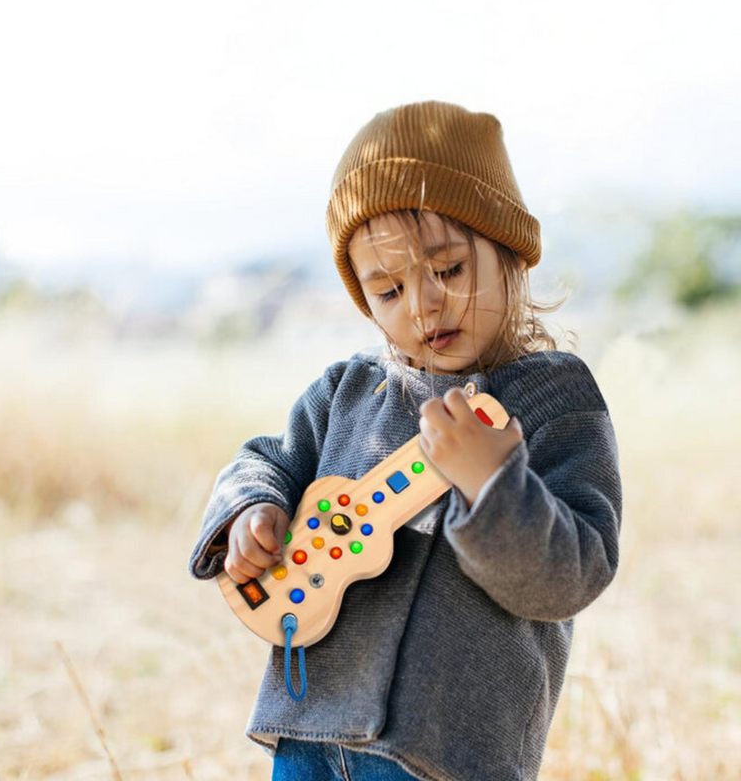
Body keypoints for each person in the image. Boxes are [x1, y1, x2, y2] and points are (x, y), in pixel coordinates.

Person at [188, 101, 623, 781]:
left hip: (448, 750)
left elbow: (575, 573)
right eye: (388, 290)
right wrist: (248, 514)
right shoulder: (349, 391)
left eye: (448, 270)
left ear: (507, 248)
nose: (422, 305)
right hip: (310, 722)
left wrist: (494, 485)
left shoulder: (555, 398)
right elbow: (262, 462)